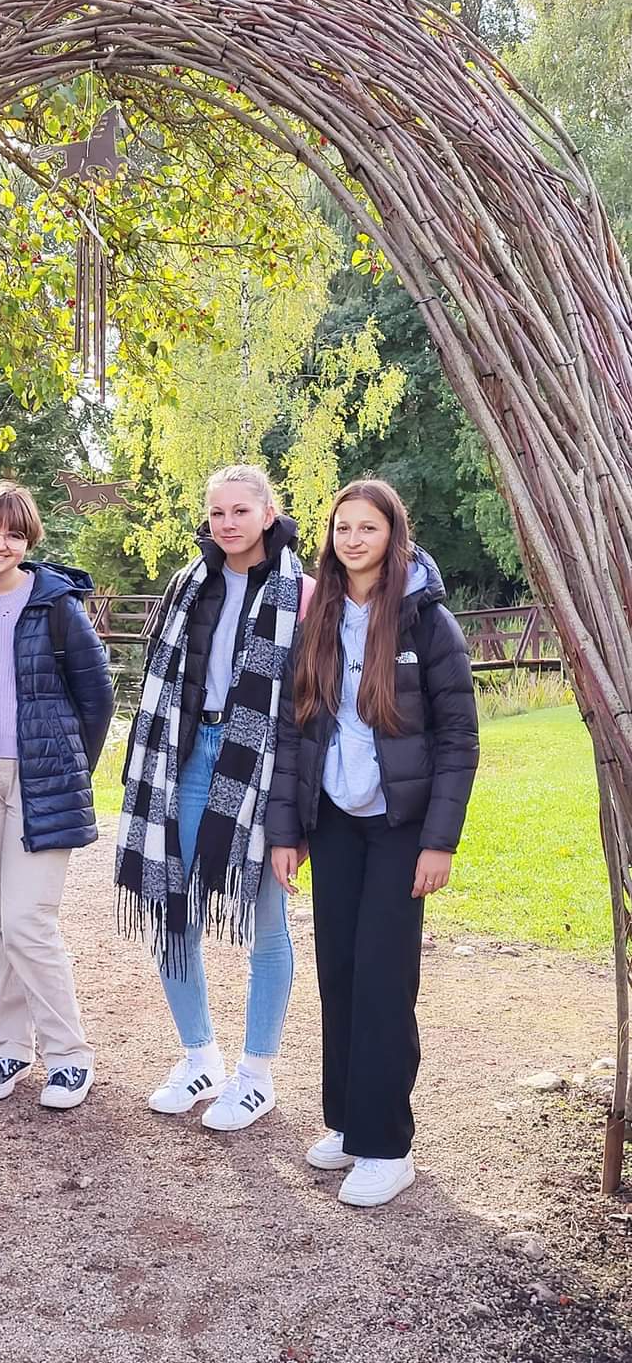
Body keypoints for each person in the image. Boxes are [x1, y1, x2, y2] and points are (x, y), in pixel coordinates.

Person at [267, 478, 479, 1206]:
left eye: (368, 527)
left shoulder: (427, 622)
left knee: (385, 980)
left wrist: (439, 842)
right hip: (333, 820)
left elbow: (459, 737)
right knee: (340, 972)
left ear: (394, 535)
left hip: (399, 826)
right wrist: (288, 830)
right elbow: (293, 731)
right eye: (343, 528)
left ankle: (388, 1145)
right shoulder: (319, 617)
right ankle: (348, 1123)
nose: (353, 540)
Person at [116, 464, 315, 1131]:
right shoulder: (188, 584)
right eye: (217, 512)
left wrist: (294, 812)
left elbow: (309, 708)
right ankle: (200, 1056)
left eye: (240, 511)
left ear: (267, 514)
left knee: (265, 925)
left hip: (260, 765)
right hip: (185, 759)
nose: (227, 523)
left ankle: (256, 1076)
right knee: (173, 912)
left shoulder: (303, 593)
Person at [0, 482, 114, 1110]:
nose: (0, 543)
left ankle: (69, 1055)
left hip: (41, 780)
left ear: (28, 541)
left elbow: (97, 699)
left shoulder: (57, 606)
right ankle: (8, 1047)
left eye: (14, 534)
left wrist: (67, 770)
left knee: (27, 922)